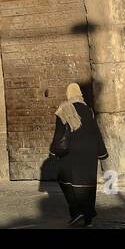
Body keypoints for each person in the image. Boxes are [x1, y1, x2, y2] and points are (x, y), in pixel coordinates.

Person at [48, 82, 109, 226]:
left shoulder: (63, 109)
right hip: (89, 152)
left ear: (68, 93)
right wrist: (102, 152)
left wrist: (53, 151)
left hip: (71, 152)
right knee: (87, 184)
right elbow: (96, 132)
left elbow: (59, 134)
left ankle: (77, 212)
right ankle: (87, 217)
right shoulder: (88, 110)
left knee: (66, 180)